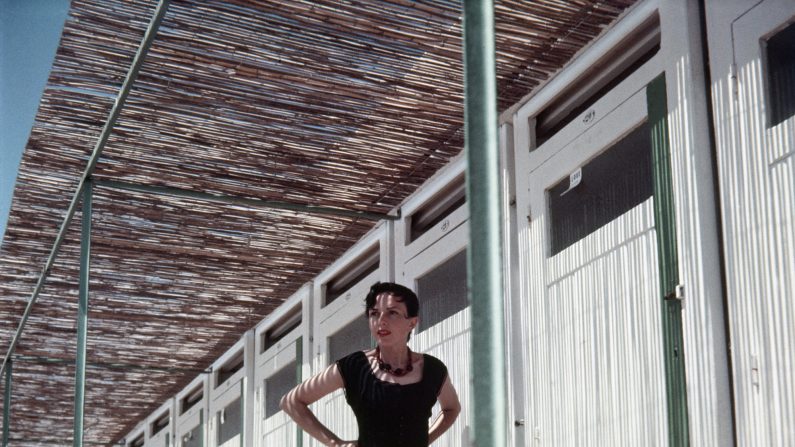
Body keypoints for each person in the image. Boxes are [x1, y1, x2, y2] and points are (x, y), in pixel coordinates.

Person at [280, 282, 461, 446]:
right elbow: (291, 401)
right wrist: (336, 443)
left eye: (392, 313)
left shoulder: (432, 369)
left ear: (412, 323)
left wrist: (425, 440)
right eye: (374, 313)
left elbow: (452, 409)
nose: (381, 321)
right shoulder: (355, 367)